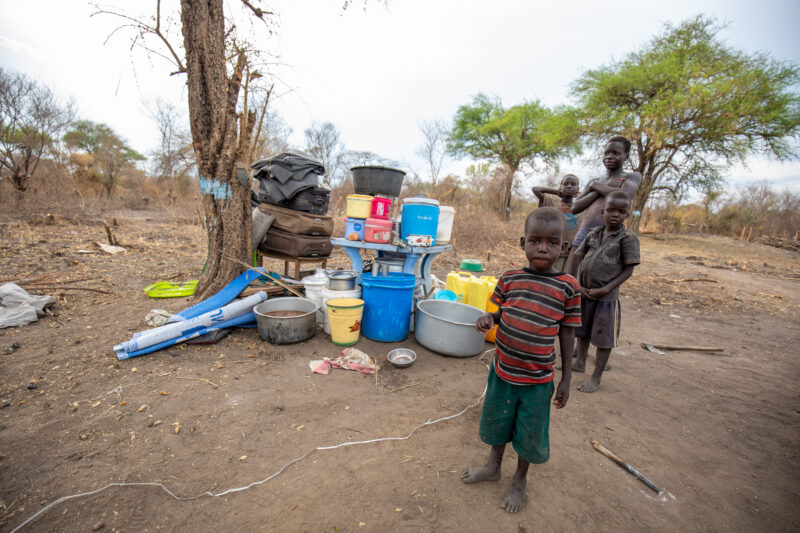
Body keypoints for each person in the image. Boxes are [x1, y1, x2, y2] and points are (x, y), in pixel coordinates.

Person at [463, 207, 581, 513]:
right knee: (498, 422)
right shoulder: (510, 278)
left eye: (552, 242)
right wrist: (490, 317)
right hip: (503, 372)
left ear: (563, 247)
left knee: (530, 432)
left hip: (538, 381)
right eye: (535, 240)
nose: (543, 247)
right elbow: (506, 312)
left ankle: (520, 480)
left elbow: (567, 334)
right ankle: (493, 466)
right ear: (522, 242)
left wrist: (566, 378)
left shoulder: (568, 287)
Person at [566, 190, 640, 393]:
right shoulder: (594, 234)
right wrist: (577, 285)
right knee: (583, 330)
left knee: (603, 337)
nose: (615, 214)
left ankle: (596, 377)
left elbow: (628, 269)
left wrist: (607, 288)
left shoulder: (627, 238)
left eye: (621, 211)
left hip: (606, 298)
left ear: (626, 214)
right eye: (611, 210)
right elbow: (579, 256)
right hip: (586, 292)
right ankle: (579, 361)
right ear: (602, 211)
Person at [569, 136, 642, 250]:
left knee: (600, 266)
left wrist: (596, 187)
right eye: (606, 153)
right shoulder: (594, 181)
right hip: (584, 233)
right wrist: (596, 191)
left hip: (608, 236)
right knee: (572, 267)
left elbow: (625, 195)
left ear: (626, 156)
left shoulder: (631, 176)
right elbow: (575, 207)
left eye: (615, 153)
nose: (609, 157)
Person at [532, 173, 581, 271]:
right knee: (550, 277)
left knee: (566, 279)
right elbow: (536, 189)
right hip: (552, 250)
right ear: (560, 187)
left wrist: (580, 194)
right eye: (565, 184)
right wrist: (556, 192)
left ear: (578, 189)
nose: (569, 186)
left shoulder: (581, 207)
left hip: (572, 253)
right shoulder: (551, 202)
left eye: (573, 184)